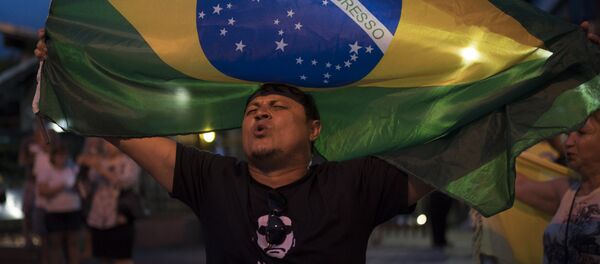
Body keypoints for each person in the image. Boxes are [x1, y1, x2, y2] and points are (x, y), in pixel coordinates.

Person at [516, 109, 600, 263]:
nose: (568, 142)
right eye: (567, 134)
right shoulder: (567, 191)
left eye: (581, 133)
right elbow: (517, 185)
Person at [78, 140, 141, 264]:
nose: (108, 145)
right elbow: (86, 191)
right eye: (106, 143)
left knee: (122, 257)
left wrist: (101, 169)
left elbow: (126, 182)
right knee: (103, 256)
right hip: (99, 218)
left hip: (120, 216)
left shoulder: (128, 161)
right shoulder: (98, 161)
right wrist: (83, 170)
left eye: (111, 142)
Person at [37, 144, 82, 264]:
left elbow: (82, 189)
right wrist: (62, 186)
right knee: (55, 243)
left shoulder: (72, 169)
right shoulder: (47, 171)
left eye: (64, 155)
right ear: (53, 156)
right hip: (54, 211)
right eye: (59, 155)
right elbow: (42, 191)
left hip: (72, 210)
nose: (62, 158)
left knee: (73, 243)